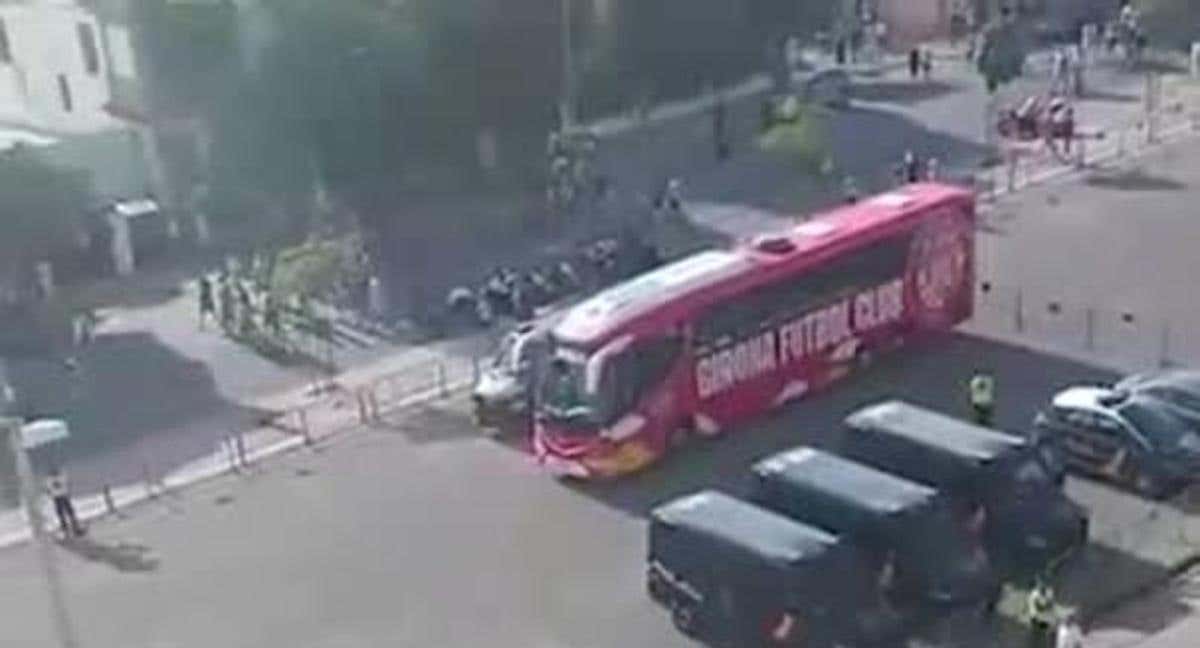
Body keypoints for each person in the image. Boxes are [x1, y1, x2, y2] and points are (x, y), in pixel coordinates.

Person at [45, 467, 82, 538]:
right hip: (61, 497)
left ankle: (70, 529)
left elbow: (48, 490)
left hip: (59, 497)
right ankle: (72, 529)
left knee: (65, 514)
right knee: (67, 513)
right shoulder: (59, 477)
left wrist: (51, 494)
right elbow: (68, 484)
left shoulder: (50, 479)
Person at [1026, 577, 1058, 648]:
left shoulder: (1048, 592)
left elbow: (1050, 604)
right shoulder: (1033, 596)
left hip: (1045, 619)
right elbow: (1040, 608)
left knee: (1051, 630)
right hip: (1037, 620)